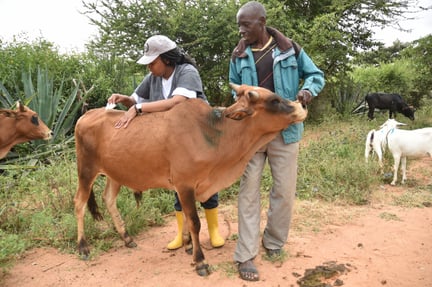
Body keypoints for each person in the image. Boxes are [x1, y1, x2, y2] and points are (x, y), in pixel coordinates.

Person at [229, 2, 325, 282]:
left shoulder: (289, 49)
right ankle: (245, 254)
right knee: (248, 193)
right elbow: (234, 85)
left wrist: (307, 90)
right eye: (239, 25)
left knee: (283, 191)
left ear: (261, 22)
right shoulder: (239, 55)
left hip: (285, 132)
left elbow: (316, 75)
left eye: (246, 25)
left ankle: (273, 242)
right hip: (253, 135)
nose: (241, 30)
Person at [108, 35, 225, 250]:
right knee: (178, 183)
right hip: (175, 142)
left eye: (153, 62)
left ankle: (214, 230)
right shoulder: (154, 76)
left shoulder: (187, 72)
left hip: (199, 137)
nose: (150, 67)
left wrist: (139, 109)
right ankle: (182, 234)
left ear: (166, 59)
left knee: (205, 181)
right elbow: (136, 100)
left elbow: (178, 102)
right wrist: (124, 100)